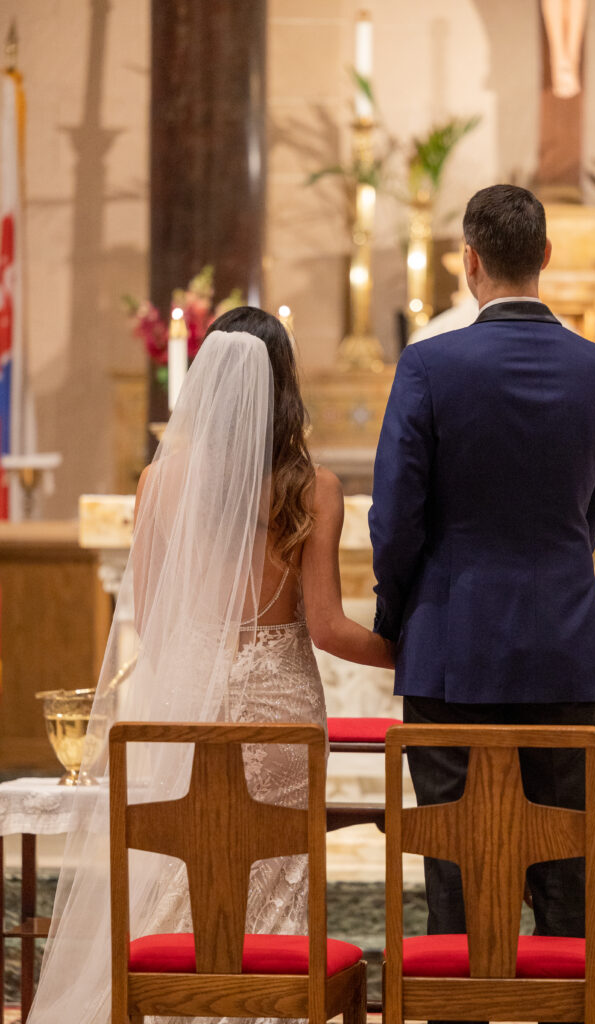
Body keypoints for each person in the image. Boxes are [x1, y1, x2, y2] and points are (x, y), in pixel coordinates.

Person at [28, 307, 393, 1024]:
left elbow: (153, 622)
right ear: (285, 386)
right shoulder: (312, 488)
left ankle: (176, 1004)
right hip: (283, 713)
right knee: (274, 871)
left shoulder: (157, 485)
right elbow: (325, 627)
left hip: (190, 703)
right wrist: (409, 653)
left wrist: (201, 677)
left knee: (181, 861)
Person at [370, 184, 595, 1015]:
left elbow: (395, 516)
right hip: (563, 646)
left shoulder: (429, 365)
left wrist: (396, 617)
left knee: (455, 873)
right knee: (564, 873)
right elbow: (587, 510)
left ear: (467, 260)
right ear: (546, 258)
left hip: (450, 647)